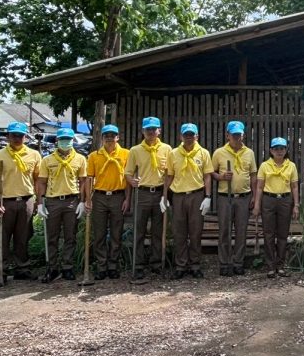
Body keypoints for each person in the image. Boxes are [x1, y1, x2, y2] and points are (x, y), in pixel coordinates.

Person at [0, 122, 43, 281]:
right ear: (8, 137)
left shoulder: (34, 155)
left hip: (26, 200)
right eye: (13, 135)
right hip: (5, 202)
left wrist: (38, 200)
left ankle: (22, 268)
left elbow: (38, 179)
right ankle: (1, 270)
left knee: (24, 236)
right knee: (1, 237)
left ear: (25, 137)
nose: (17, 138)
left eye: (20, 136)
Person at [35, 128, 88, 282]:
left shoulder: (80, 159)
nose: (65, 142)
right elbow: (41, 182)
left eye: (68, 139)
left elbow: (83, 181)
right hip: (53, 201)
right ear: (57, 141)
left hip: (72, 201)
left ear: (72, 141)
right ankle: (52, 268)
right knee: (52, 236)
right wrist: (40, 203)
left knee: (70, 236)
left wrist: (83, 201)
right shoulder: (47, 160)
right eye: (62, 139)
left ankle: (67, 267)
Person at [164, 123, 214, 279]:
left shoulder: (204, 153)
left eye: (191, 134)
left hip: (196, 195)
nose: (188, 137)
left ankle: (195, 265)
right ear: (181, 136)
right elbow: (169, 176)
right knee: (179, 232)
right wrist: (164, 197)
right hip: (178, 196)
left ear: (196, 136)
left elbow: (207, 176)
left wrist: (208, 197)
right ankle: (180, 265)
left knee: (195, 232)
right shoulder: (173, 154)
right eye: (186, 134)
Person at [125, 117, 173, 279]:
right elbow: (128, 173)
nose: (151, 132)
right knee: (139, 230)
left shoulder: (167, 149)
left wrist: (165, 195)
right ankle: (138, 265)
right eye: (148, 129)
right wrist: (132, 181)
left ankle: (156, 263)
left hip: (160, 192)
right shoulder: (135, 150)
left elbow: (170, 173)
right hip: (142, 193)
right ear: (142, 131)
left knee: (158, 230)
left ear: (159, 131)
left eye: (154, 129)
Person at [212, 121, 258, 276]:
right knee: (224, 230)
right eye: (234, 135)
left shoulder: (249, 153)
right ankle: (224, 263)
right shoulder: (219, 152)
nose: (237, 138)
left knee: (241, 231)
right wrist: (221, 177)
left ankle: (238, 262)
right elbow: (211, 172)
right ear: (228, 135)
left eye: (239, 135)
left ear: (243, 135)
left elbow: (253, 175)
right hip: (225, 196)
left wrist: (254, 195)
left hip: (244, 197)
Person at [85, 124, 130, 280]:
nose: (110, 138)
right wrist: (88, 199)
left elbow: (128, 179)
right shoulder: (94, 156)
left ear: (118, 137)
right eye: (107, 136)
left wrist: (127, 199)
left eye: (113, 135)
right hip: (99, 197)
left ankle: (113, 265)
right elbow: (89, 178)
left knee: (117, 233)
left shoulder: (126, 154)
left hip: (118, 196)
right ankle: (101, 266)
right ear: (102, 138)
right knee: (99, 233)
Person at [254, 137, 300, 278]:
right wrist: (257, 205)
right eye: (276, 149)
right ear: (271, 150)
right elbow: (259, 187)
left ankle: (280, 265)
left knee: (283, 234)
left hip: (285, 200)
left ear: (286, 150)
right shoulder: (264, 166)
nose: (279, 151)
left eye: (282, 148)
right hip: (268, 199)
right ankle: (270, 266)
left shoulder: (291, 166)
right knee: (268, 233)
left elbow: (294, 186)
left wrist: (296, 205)